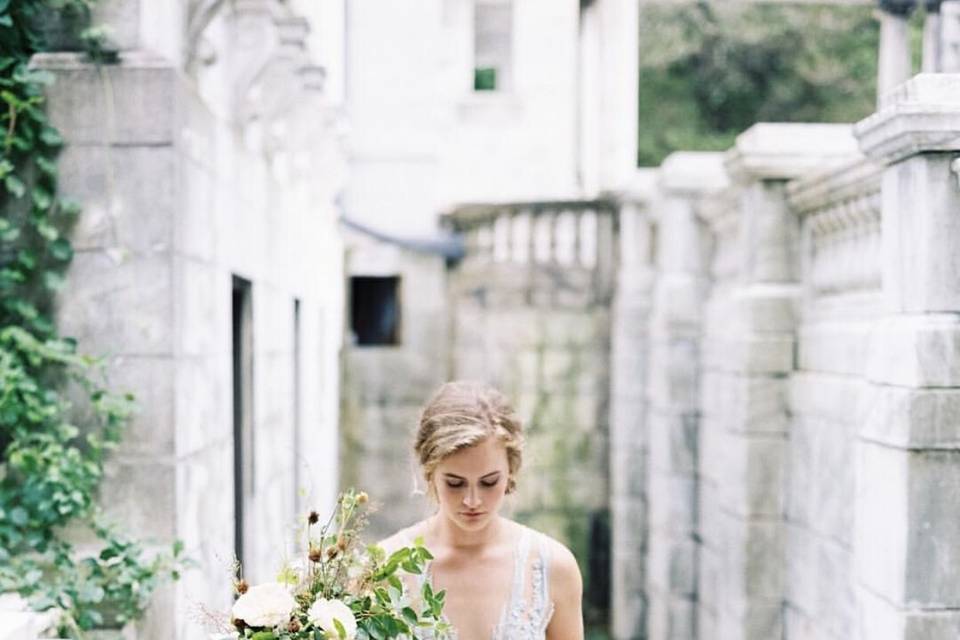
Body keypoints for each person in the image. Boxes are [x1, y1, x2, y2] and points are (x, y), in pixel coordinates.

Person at [379, 380, 584, 640]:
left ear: (511, 471)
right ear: (430, 473)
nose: (472, 500)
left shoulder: (553, 567)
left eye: (489, 482)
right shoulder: (384, 569)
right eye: (455, 483)